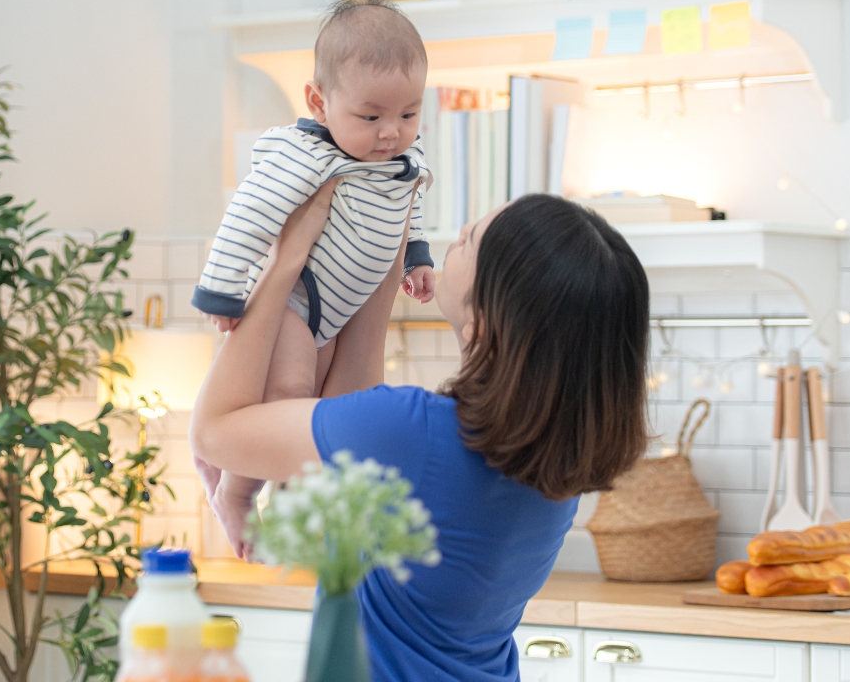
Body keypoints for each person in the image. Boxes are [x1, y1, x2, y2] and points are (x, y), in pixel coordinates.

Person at [189, 190, 650, 682]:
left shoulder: (411, 431)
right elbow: (352, 412)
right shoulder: (557, 467)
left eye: (470, 241)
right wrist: (381, 255)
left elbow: (215, 431)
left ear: (483, 323)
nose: (458, 236)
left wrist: (285, 261)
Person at [191, 0, 436, 555]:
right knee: (291, 394)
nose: (391, 133)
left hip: (340, 308)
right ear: (319, 103)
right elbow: (248, 213)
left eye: (408, 114)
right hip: (297, 302)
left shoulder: (402, 159)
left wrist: (417, 255)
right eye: (370, 116)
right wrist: (221, 290)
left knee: (324, 414)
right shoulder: (309, 155)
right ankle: (236, 490)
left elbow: (410, 202)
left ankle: (300, 511)